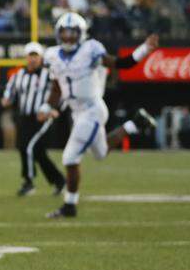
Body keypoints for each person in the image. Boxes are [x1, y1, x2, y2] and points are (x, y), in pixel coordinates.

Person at [39, 13, 159, 219]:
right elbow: (57, 87)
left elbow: (122, 64)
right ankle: (135, 124)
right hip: (77, 112)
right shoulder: (52, 55)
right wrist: (45, 106)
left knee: (70, 157)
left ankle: (70, 206)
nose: (67, 37)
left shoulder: (90, 49)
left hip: (92, 109)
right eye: (64, 33)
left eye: (72, 32)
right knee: (101, 153)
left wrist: (144, 49)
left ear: (81, 34)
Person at [2, 42, 64, 197]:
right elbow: (9, 94)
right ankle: (60, 181)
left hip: (42, 117)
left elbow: (61, 92)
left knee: (28, 147)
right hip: (24, 118)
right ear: (26, 57)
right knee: (37, 152)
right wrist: (6, 100)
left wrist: (55, 110)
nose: (33, 59)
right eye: (30, 55)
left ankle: (28, 182)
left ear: (41, 57)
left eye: (36, 56)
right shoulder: (18, 76)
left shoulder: (49, 74)